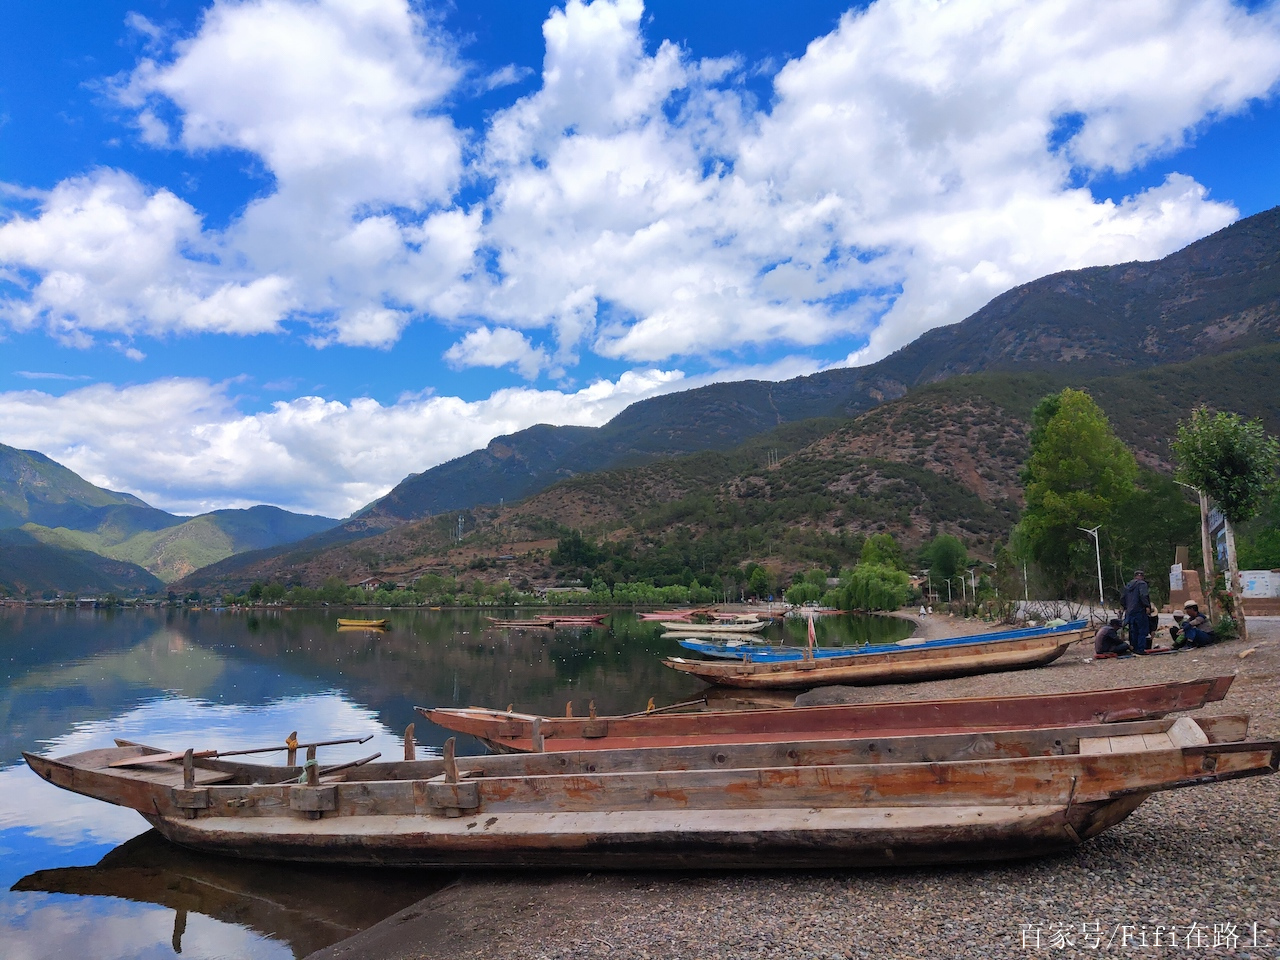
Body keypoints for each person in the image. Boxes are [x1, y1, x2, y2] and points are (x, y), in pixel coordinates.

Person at [1121, 569, 1153, 654]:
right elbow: (1143, 595)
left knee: (1132, 630)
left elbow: (1122, 598)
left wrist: (1125, 607)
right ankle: (1140, 649)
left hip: (1129, 611)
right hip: (1140, 610)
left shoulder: (1128, 585)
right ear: (1142, 576)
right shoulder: (1142, 584)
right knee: (1142, 630)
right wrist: (1147, 606)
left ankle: (1133, 647)